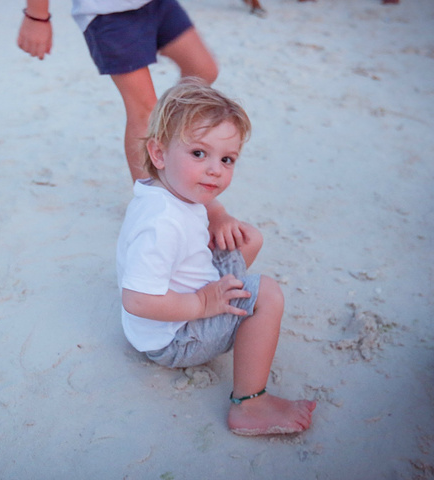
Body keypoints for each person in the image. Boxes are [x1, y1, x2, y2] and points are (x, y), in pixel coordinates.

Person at [116, 78, 316, 435]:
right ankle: (250, 404)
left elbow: (203, 203)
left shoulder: (166, 186)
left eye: (227, 159)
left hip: (183, 296)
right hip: (174, 336)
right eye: (199, 154)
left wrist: (219, 215)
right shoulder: (160, 224)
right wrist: (201, 304)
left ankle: (225, 303)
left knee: (247, 238)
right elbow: (137, 300)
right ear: (159, 153)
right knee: (266, 294)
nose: (215, 170)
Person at [18, 0, 254, 255]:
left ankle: (178, 157)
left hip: (155, 4)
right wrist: (37, 16)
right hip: (108, 14)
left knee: (203, 70)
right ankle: (154, 203)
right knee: (145, 111)